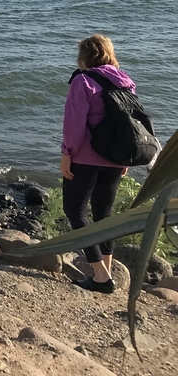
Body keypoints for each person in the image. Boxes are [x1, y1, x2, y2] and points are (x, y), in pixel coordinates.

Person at [60, 34, 131, 294]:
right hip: (115, 158)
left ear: (85, 56)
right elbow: (130, 124)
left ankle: (101, 277)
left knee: (75, 211)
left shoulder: (83, 81)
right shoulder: (125, 81)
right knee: (104, 215)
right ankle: (106, 273)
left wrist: (67, 153)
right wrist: (124, 159)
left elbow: (74, 126)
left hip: (86, 157)